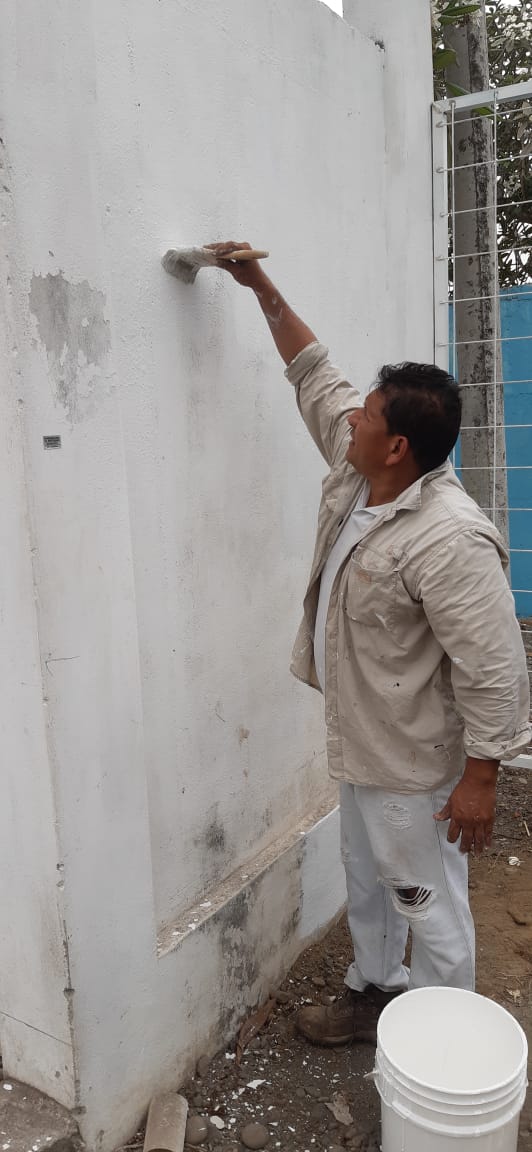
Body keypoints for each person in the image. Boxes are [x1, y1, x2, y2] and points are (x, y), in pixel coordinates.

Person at [208, 242, 532, 1045]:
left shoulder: (449, 538)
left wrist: (482, 777)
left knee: (426, 896)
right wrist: (259, 285)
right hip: (361, 739)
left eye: (371, 416)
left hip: (414, 762)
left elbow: (495, 666)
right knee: (369, 876)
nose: (354, 417)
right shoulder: (361, 474)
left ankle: (445, 1036)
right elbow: (315, 375)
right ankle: (377, 990)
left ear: (398, 448)